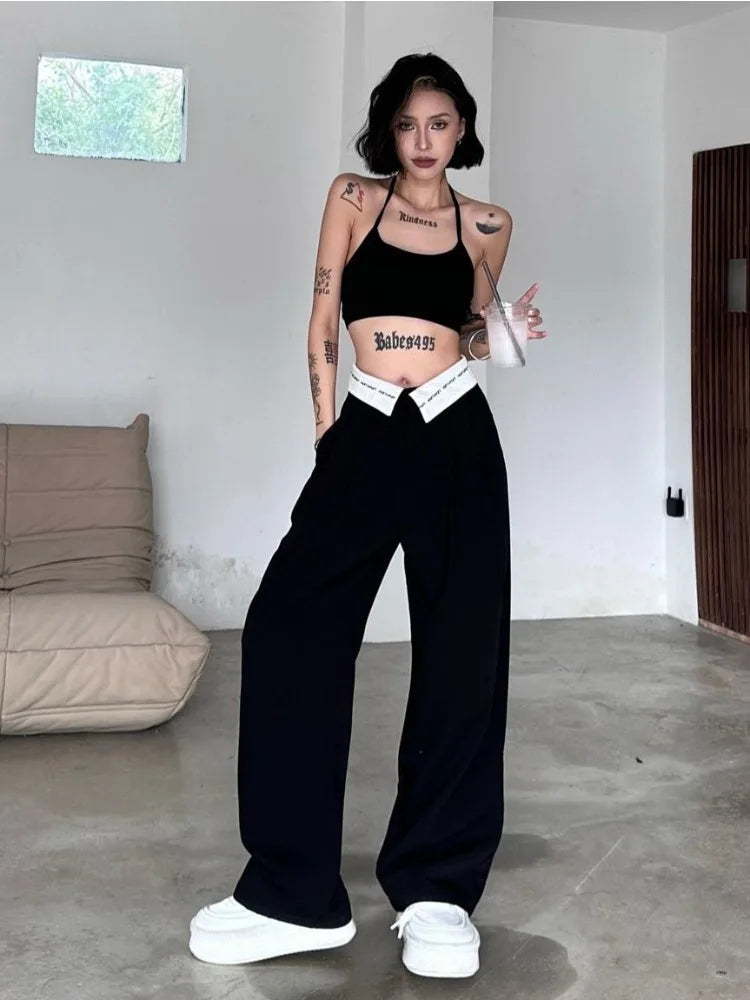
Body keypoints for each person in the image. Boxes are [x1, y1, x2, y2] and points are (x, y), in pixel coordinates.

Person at [189, 51, 547, 980]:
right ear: (389, 131)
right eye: (407, 124)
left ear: (462, 130)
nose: (424, 141)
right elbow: (320, 326)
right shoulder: (353, 198)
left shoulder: (489, 223)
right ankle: (293, 894)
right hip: (367, 426)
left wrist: (505, 333)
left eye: (440, 124)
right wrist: (330, 441)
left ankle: (437, 891)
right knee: (287, 630)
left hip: (458, 432)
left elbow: (471, 331)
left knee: (463, 656)